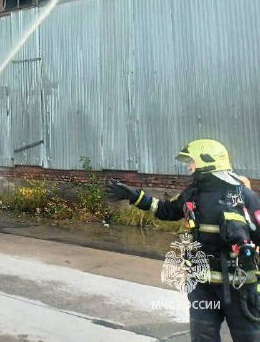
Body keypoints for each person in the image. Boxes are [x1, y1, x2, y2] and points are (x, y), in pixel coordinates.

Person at [106, 139, 260, 341]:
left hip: (240, 287)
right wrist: (135, 197)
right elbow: (166, 210)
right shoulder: (192, 194)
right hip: (202, 288)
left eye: (192, 161)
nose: (189, 166)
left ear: (208, 161)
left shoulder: (244, 196)